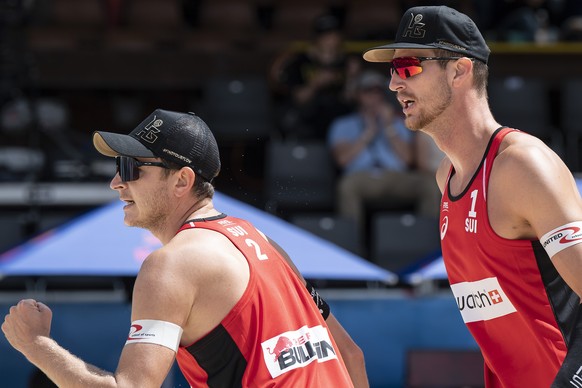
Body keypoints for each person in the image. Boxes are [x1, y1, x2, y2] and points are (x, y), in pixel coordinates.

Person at [2, 109, 368, 387]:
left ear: (182, 180)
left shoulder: (172, 264)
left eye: (130, 167)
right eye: (117, 166)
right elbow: (351, 356)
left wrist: (34, 344)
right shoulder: (262, 241)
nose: (116, 182)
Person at [363, 5, 582, 387]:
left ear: (460, 70)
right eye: (393, 70)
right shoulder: (445, 176)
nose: (394, 84)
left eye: (409, 67)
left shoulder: (521, 166)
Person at [328, 69, 441, 231]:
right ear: (358, 95)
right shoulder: (344, 124)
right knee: (346, 186)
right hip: (362, 177)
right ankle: (351, 247)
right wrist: (368, 133)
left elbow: (408, 159)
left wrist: (388, 128)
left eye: (378, 92)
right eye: (368, 92)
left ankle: (425, 240)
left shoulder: (398, 122)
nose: (374, 97)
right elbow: (342, 160)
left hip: (396, 177)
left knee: (428, 185)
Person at [270, 12, 360, 140]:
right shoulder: (300, 61)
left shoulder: (348, 62)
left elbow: (350, 98)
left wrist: (352, 78)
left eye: (334, 34)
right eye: (325, 35)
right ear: (316, 38)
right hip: (308, 122)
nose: (331, 39)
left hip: (339, 121)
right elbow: (298, 99)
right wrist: (315, 83)